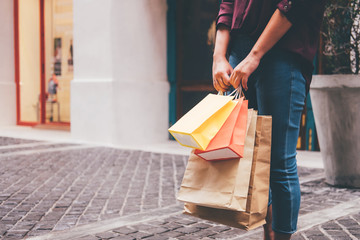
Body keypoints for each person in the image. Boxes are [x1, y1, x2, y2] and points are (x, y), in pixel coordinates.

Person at [212, 1, 325, 239]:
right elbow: (228, 3)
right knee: (253, 161)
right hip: (238, 52)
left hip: (283, 49)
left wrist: (255, 55)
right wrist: (219, 56)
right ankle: (269, 234)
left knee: (279, 163)